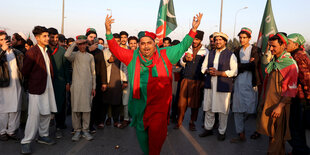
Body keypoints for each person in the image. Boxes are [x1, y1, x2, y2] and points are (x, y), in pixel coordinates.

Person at [105, 13, 202, 155]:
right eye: (142, 43)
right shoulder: (132, 56)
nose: (145, 46)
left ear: (154, 43)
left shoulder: (166, 54)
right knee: (144, 142)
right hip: (139, 108)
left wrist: (193, 29)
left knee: (156, 140)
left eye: (148, 43)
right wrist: (108, 32)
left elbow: (182, 46)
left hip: (159, 108)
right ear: (139, 45)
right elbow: (115, 49)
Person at [257, 33, 298, 155]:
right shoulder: (275, 61)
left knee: (277, 137)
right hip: (269, 103)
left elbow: (291, 90)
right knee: (272, 134)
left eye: (273, 46)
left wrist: (280, 106)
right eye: (270, 46)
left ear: (283, 45)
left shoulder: (290, 65)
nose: (270, 49)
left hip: (279, 105)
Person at [21, 26, 57, 154]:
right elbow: (25, 71)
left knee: (46, 112)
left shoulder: (46, 50)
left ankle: (43, 135)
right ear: (37, 38)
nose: (48, 38)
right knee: (33, 116)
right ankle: (26, 141)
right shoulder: (32, 52)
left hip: (47, 86)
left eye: (48, 36)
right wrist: (34, 80)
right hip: (36, 88)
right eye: (45, 36)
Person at [199, 32, 238, 141]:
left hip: (223, 87)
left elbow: (234, 71)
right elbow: (203, 68)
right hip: (210, 85)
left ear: (225, 41)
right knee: (208, 108)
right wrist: (207, 70)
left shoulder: (231, 55)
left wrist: (219, 73)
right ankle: (208, 128)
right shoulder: (210, 53)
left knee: (222, 110)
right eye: (216, 40)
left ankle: (222, 131)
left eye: (220, 39)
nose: (218, 42)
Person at [230, 28, 261, 143]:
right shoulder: (237, 50)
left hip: (251, 82)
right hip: (238, 82)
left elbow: (254, 65)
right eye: (240, 37)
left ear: (249, 38)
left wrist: (242, 65)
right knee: (237, 109)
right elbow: (233, 65)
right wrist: (247, 64)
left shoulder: (255, 49)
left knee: (250, 109)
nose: (242, 40)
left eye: (244, 37)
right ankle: (240, 133)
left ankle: (258, 130)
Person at [65, 35, 96, 141]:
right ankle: (77, 130)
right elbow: (66, 55)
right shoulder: (74, 55)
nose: (82, 46)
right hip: (76, 87)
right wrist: (74, 43)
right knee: (76, 110)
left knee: (87, 109)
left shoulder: (90, 57)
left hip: (87, 87)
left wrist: (94, 87)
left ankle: (85, 130)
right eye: (80, 44)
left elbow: (93, 73)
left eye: (84, 43)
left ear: (87, 44)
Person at [175, 30, 206, 131]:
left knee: (195, 104)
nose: (194, 41)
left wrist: (203, 81)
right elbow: (181, 63)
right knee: (181, 103)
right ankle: (179, 121)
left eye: (197, 39)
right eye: (193, 39)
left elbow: (206, 67)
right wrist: (184, 59)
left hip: (197, 80)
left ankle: (192, 122)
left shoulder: (206, 51)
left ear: (201, 40)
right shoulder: (187, 49)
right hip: (186, 79)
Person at [286, 33, 310, 155]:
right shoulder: (295, 55)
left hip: (301, 98)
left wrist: (307, 97)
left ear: (296, 44)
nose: (286, 45)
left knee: (294, 128)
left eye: (288, 43)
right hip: (300, 97)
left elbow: (306, 78)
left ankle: (302, 152)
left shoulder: (298, 56)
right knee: (298, 129)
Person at [0, 31, 24, 141]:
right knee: (3, 110)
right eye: (1, 40)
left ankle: (12, 131)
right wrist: (2, 50)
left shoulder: (17, 53)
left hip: (17, 84)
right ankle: (2, 131)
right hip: (3, 85)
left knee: (15, 108)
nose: (5, 41)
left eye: (6, 38)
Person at [47, 27, 70, 139]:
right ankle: (44, 129)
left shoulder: (62, 51)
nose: (55, 39)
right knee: (46, 106)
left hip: (60, 83)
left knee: (60, 105)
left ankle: (59, 127)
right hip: (47, 83)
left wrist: (67, 82)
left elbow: (66, 68)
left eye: (56, 37)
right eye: (52, 37)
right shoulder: (44, 50)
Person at [102, 33, 128, 128]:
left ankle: (116, 120)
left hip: (118, 79)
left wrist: (125, 80)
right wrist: (109, 61)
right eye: (114, 41)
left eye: (118, 41)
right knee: (106, 100)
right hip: (108, 80)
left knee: (117, 101)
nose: (116, 43)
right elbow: (102, 66)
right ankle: (108, 118)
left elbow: (125, 67)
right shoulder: (105, 52)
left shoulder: (122, 52)